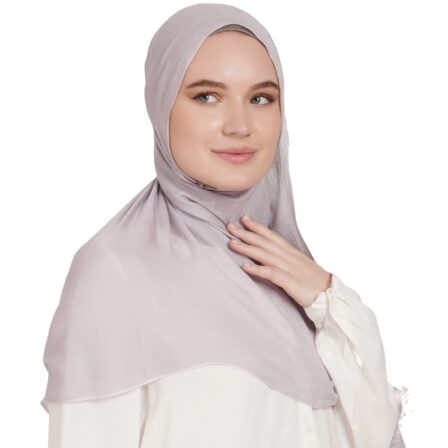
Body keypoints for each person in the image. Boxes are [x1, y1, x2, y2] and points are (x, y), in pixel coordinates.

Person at [41, 4, 408, 447]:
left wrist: (329, 301)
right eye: (207, 97)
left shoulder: (293, 278)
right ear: (161, 105)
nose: (240, 126)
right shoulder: (115, 270)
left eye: (260, 98)